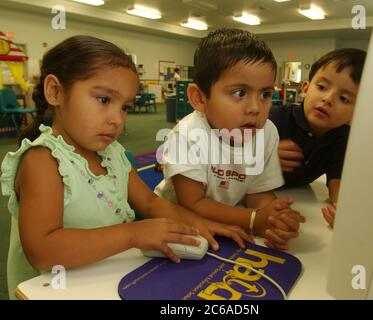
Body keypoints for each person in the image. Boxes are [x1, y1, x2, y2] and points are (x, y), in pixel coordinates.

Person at [0, 35, 251, 299]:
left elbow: (150, 204)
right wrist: (133, 234)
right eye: (104, 100)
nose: (117, 119)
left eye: (125, 107)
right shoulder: (42, 160)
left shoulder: (113, 153)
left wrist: (200, 224)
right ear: (55, 92)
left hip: (103, 276)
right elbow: (42, 250)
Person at [155, 28, 306, 252]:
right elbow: (193, 202)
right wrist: (254, 220)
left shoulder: (267, 132)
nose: (255, 108)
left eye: (265, 94)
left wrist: (274, 219)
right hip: (178, 219)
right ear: (199, 98)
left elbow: (257, 192)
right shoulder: (187, 134)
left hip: (232, 218)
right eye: (239, 93)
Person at [269, 48, 366, 228]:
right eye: (321, 87)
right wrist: (263, 155)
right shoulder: (274, 119)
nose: (328, 99)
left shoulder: (341, 138)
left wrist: (344, 210)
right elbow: (228, 149)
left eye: (344, 98)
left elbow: (336, 181)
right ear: (305, 89)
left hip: (294, 200)